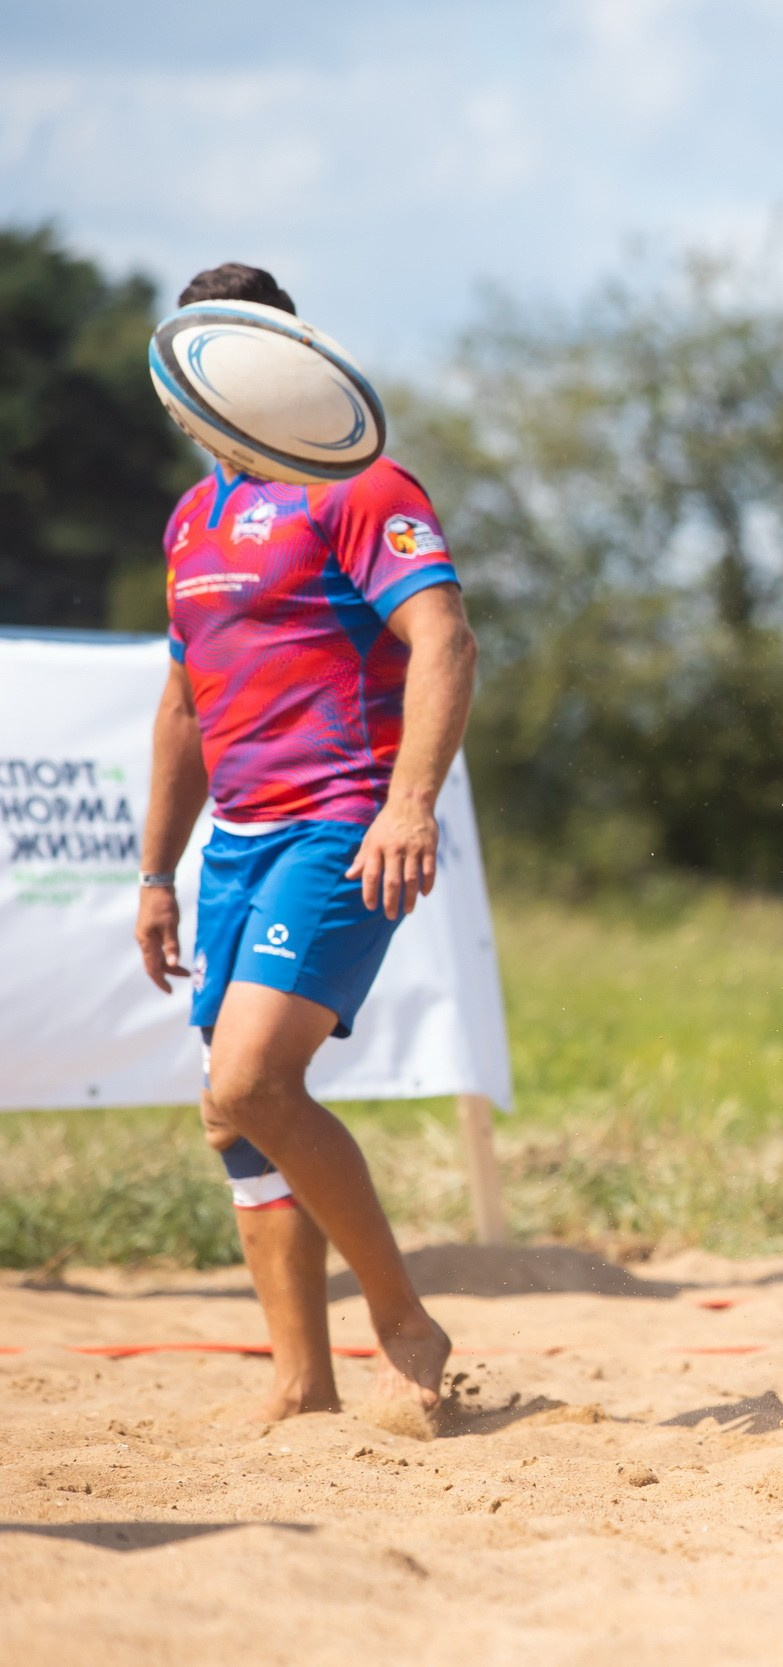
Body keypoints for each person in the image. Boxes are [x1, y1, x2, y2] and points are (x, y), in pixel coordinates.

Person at [133, 263, 475, 1423]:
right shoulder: (189, 518)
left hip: (340, 822)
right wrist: (153, 874)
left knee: (254, 1077)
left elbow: (445, 641)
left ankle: (400, 1315)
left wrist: (410, 800)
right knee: (230, 1114)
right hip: (234, 842)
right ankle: (303, 1384)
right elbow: (182, 708)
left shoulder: (364, 486)